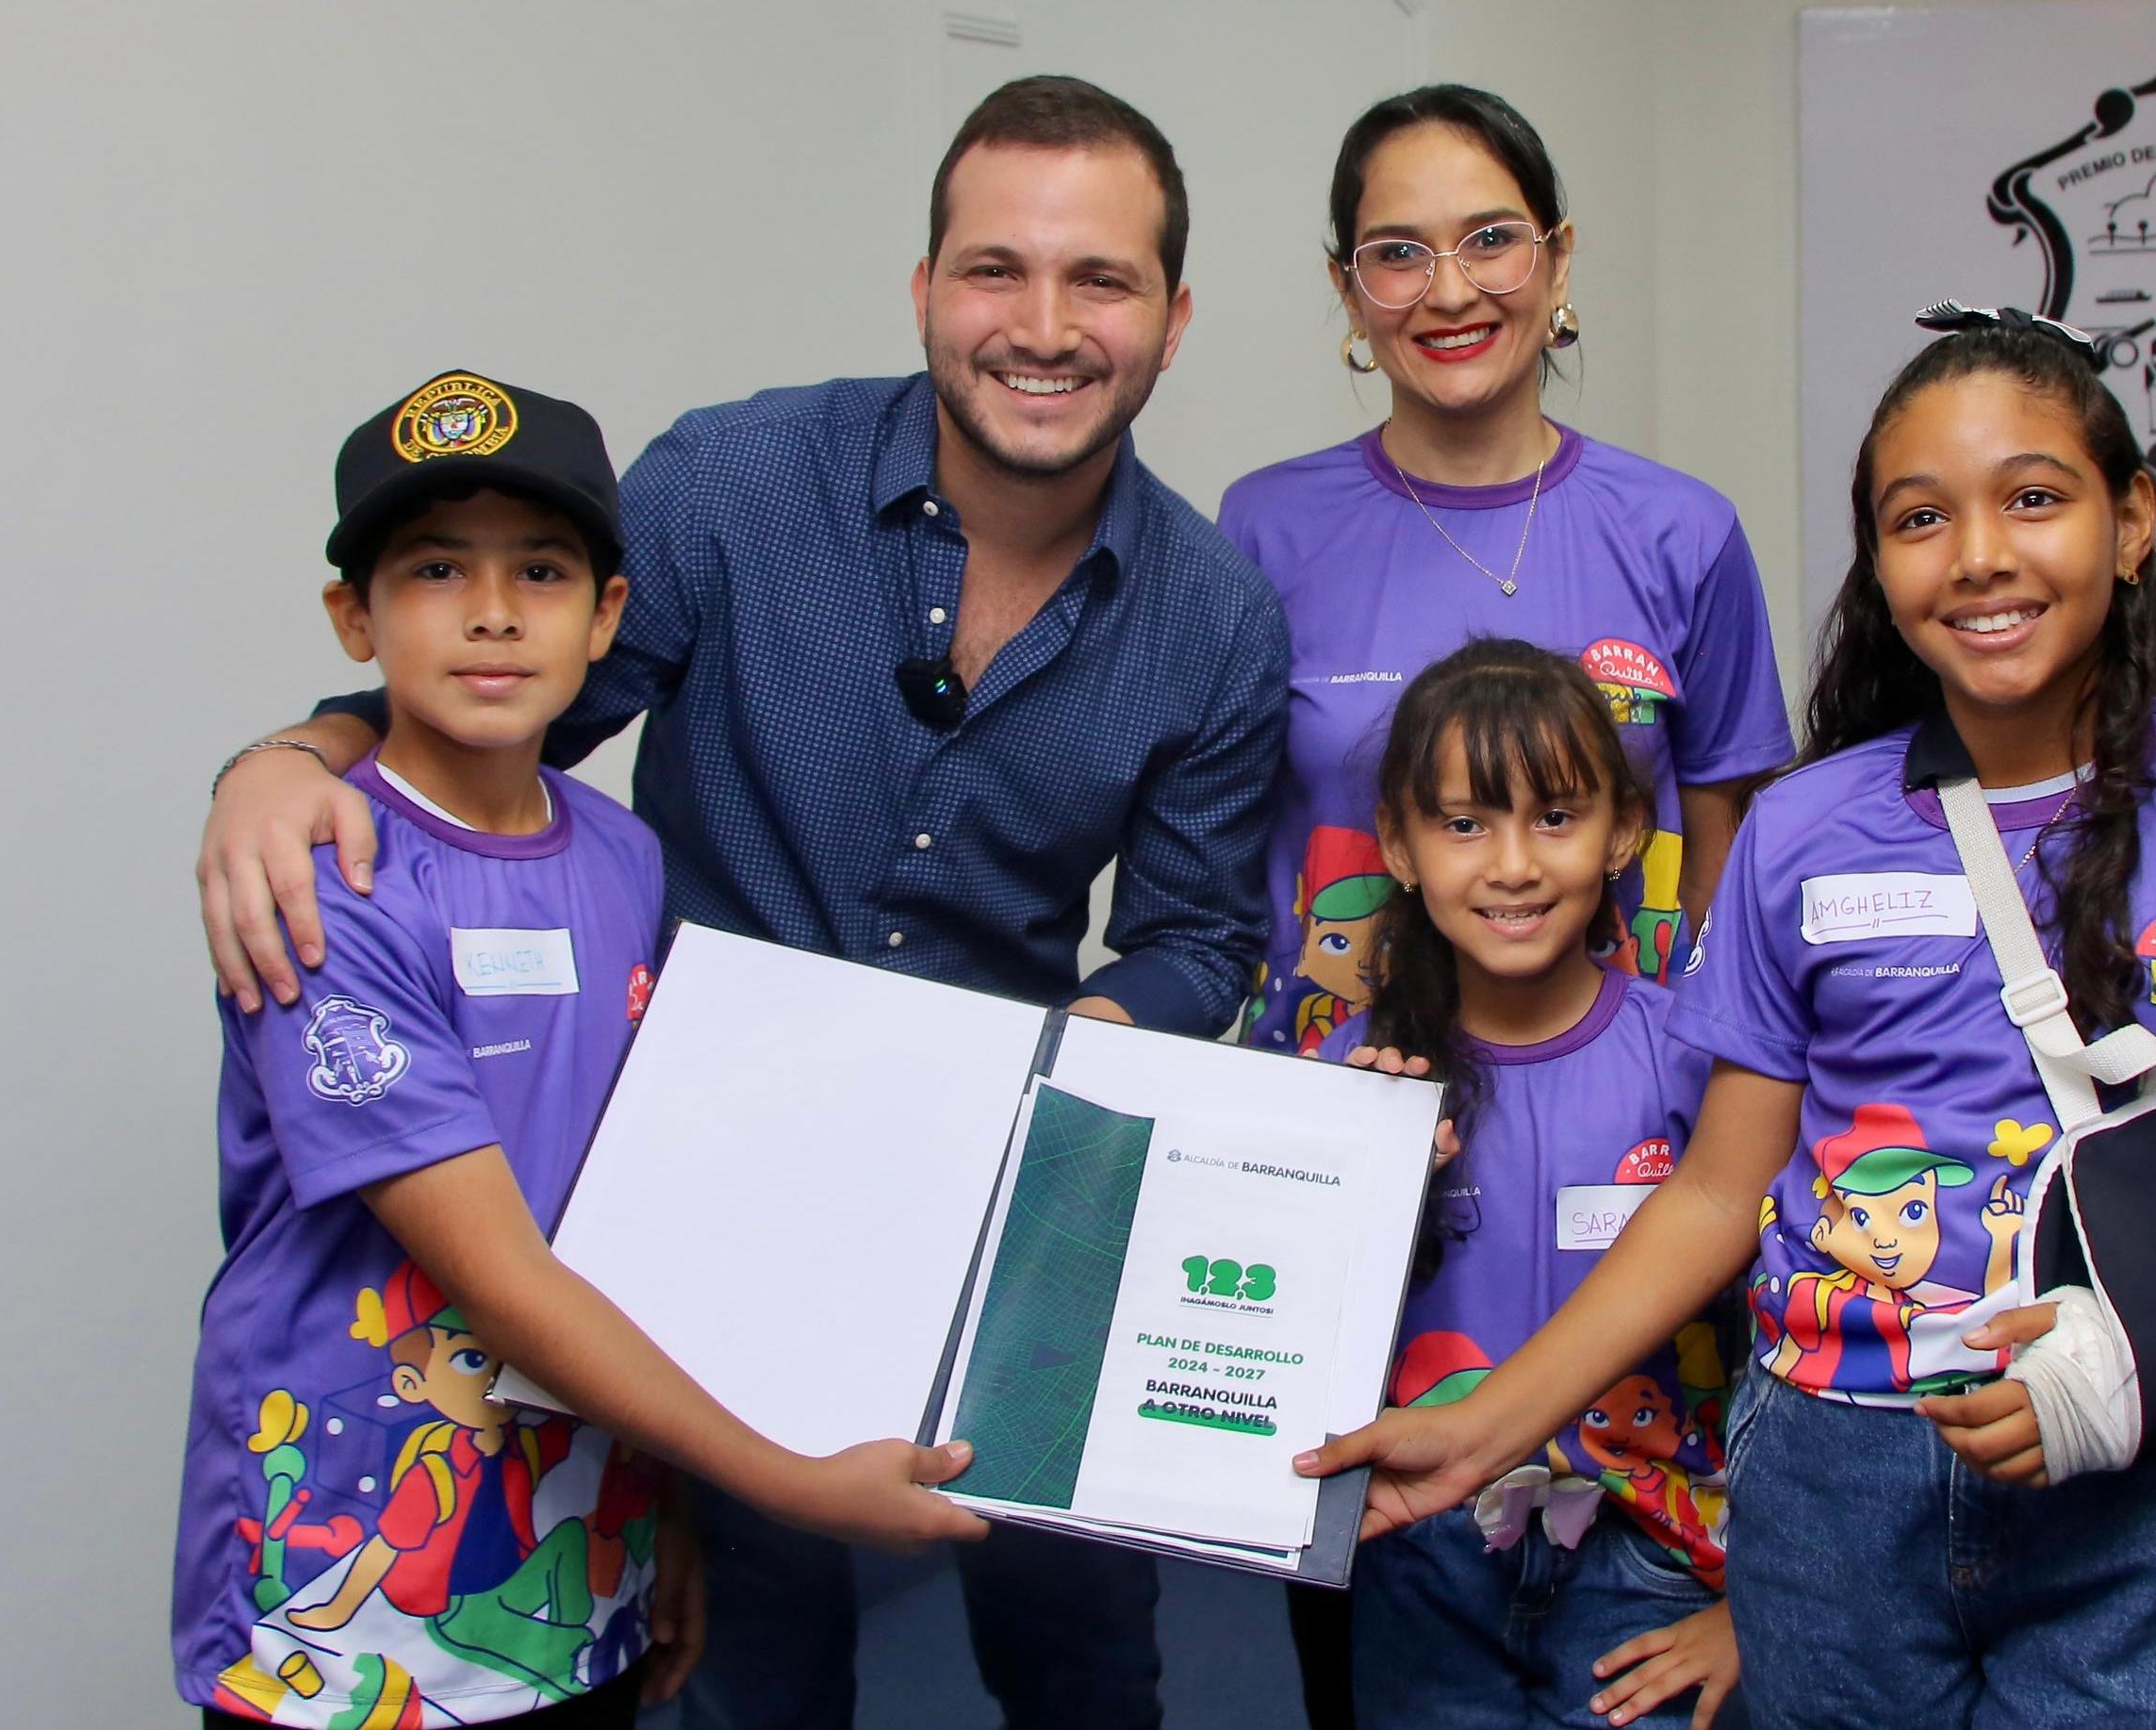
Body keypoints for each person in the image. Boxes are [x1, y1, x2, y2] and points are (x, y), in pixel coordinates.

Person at [192, 78, 1287, 1730]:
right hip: (712, 1212)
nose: (1043, 325)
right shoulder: (729, 485)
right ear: (924, 291)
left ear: (1173, 319)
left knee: (1087, 1660)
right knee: (746, 1668)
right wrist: (290, 754)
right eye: (996, 270)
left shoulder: (1214, 616)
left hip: (1019, 1185)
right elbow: (504, 708)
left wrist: (1068, 1052)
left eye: (1102, 280)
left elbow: (1203, 933)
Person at [1299, 307, 2156, 1727]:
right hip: (1833, 1487)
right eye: (1917, 517)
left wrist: (2130, 1361)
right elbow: (1713, 1191)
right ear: (1879, 567)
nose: (1979, 554)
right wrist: (1481, 1428)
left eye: (2032, 497)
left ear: (2129, 522)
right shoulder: (1803, 831)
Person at [177, 371, 982, 1730]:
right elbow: (494, 1274)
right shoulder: (328, 874)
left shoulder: (619, 855)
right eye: (435, 569)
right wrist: (784, 1482)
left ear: (606, 614)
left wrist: (661, 1510)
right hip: (345, 1607)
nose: (492, 611)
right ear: (352, 616)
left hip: (573, 1562)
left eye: (539, 570)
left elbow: (636, 1213)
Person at [1220, 85, 1792, 1063]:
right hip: (1332, 1104)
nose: (1448, 291)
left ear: (1558, 257)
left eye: (1490, 239)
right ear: (1348, 289)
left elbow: (1723, 877)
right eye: (1398, 254)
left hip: (1629, 1128)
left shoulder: (1684, 533)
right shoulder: (1263, 529)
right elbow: (1213, 859)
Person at [1323, 639, 1742, 1729]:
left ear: (1625, 831)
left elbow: (1782, 1343)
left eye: (1555, 816)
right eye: (1464, 823)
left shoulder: (1692, 1059)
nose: (1513, 862)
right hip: (1421, 1552)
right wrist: (1369, 1192)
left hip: (1655, 1555)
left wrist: (1751, 1607)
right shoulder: (1356, 1082)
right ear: (1399, 848)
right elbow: (1286, 1334)